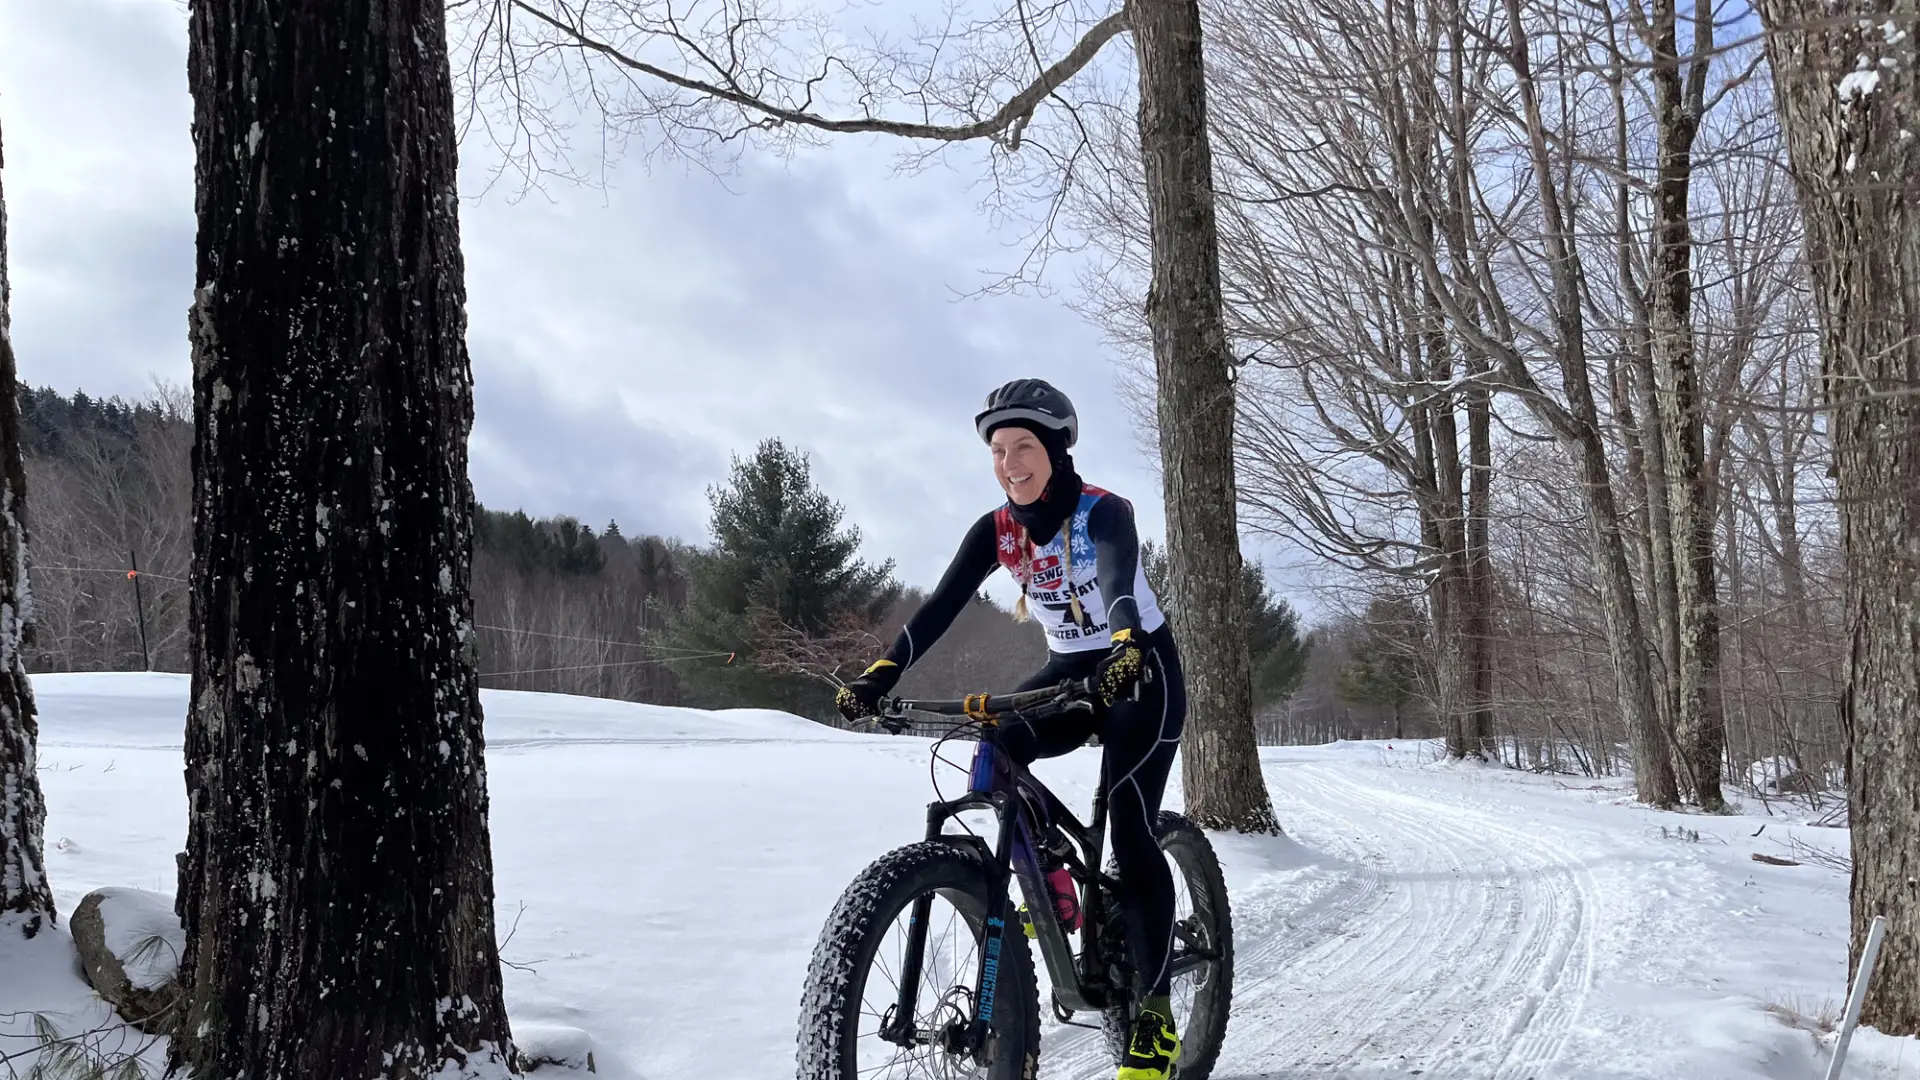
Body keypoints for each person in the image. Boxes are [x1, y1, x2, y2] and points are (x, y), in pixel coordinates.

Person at [835, 377, 1188, 1080]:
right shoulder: (996, 529)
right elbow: (939, 607)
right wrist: (880, 673)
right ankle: (1051, 877)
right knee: (993, 748)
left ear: (1056, 449)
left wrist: (1123, 642)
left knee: (1129, 820)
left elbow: (1119, 580)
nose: (1010, 462)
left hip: (1139, 671)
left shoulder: (1103, 512)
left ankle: (1152, 1013)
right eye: (998, 450)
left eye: (1024, 445)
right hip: (1068, 672)